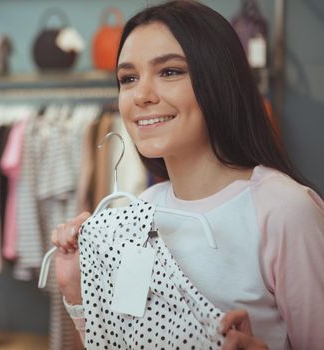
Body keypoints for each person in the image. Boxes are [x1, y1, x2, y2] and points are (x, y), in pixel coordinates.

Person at [50, 1, 324, 349]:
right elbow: (122, 339)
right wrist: (76, 289)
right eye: (128, 78)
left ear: (218, 80)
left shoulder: (284, 211)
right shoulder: (140, 213)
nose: (142, 96)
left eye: (170, 72)